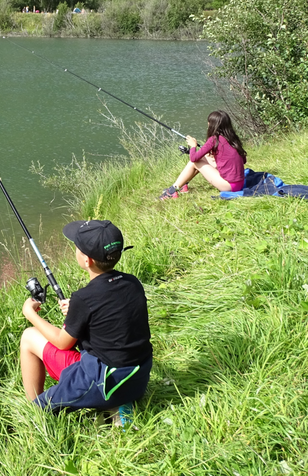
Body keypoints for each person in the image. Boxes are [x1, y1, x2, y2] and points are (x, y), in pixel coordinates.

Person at [20, 220, 153, 412]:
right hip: (136, 382)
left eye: (77, 247)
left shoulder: (84, 298)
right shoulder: (133, 283)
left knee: (29, 337)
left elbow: (62, 343)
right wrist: (78, 312)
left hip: (105, 385)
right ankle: (118, 406)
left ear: (86, 260)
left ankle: (33, 411)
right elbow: (114, 318)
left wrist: (30, 314)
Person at [159, 110, 247, 200]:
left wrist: (193, 146)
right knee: (206, 157)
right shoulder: (233, 138)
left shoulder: (214, 139)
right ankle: (183, 185)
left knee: (194, 163)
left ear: (212, 125)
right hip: (240, 183)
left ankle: (172, 191)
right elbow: (243, 160)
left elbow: (193, 158)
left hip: (229, 186)